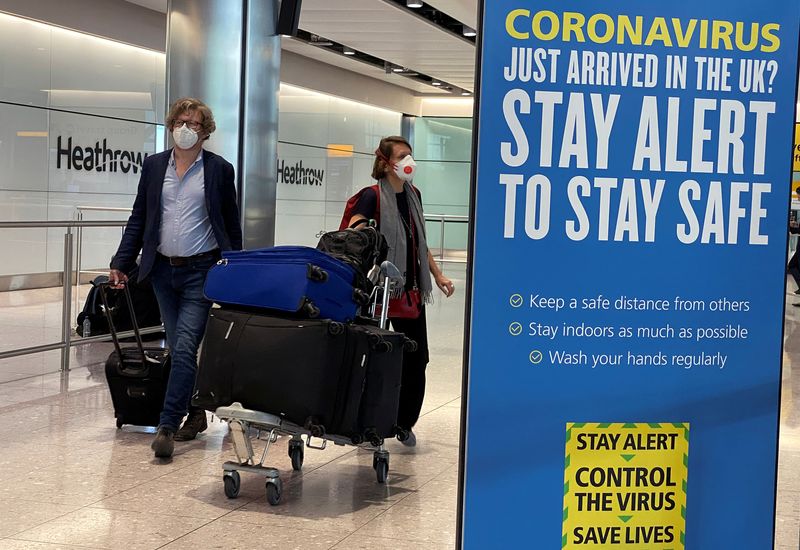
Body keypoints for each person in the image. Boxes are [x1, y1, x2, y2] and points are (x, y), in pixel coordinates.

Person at [110, 97, 242, 458]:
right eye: (180, 121)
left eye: (194, 123)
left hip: (202, 269)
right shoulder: (154, 167)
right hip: (162, 270)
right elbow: (140, 217)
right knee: (177, 344)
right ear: (170, 125)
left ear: (206, 131)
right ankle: (197, 410)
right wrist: (122, 260)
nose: (185, 128)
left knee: (184, 346)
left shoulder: (218, 170)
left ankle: (167, 424)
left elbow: (230, 223)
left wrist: (234, 267)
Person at [346, 135, 455, 446]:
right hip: (379, 293)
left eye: (411, 155)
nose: (411, 162)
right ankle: (367, 423)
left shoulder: (413, 194)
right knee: (374, 359)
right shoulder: (371, 196)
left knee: (416, 358)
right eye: (404, 156)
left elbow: (420, 243)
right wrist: (366, 230)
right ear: (386, 162)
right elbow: (355, 231)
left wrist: (437, 275)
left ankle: (403, 422)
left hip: (409, 292)